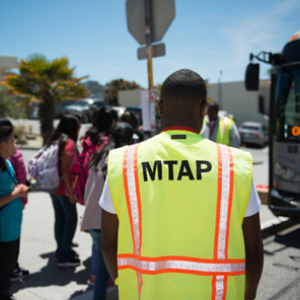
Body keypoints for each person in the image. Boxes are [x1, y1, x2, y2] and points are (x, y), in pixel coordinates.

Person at [100, 69, 263, 300]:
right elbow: (254, 248)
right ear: (203, 109)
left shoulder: (123, 161)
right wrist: (249, 294)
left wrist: (120, 283)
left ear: (159, 107)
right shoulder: (235, 164)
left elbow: (107, 241)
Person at [81, 122, 133, 300]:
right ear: (131, 139)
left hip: (93, 218)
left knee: (103, 270)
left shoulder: (98, 155)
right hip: (111, 223)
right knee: (113, 271)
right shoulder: (122, 159)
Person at [0, 119, 29, 300]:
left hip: (12, 229)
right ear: (2, 145)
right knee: (3, 273)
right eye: (12, 141)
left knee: (8, 270)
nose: (15, 144)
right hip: (3, 232)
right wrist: (16, 194)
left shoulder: (7, 162)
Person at [48, 113, 80, 267]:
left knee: (60, 219)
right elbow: (65, 169)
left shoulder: (54, 140)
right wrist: (71, 193)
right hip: (63, 189)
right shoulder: (69, 144)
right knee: (71, 220)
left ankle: (60, 250)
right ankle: (64, 255)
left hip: (53, 188)